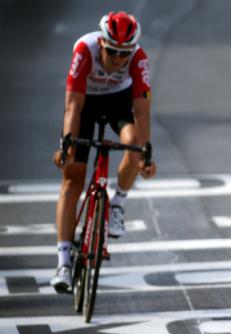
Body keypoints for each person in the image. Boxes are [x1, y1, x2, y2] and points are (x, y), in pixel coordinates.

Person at [50, 11, 156, 293]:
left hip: (118, 101)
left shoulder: (139, 58)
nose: (119, 59)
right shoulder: (86, 49)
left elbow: (142, 114)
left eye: (125, 53)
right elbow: (73, 106)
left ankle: (117, 203)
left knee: (133, 144)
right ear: (102, 43)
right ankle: (63, 263)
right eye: (113, 52)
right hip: (86, 102)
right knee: (72, 178)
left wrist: (145, 156)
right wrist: (67, 144)